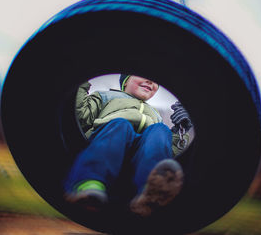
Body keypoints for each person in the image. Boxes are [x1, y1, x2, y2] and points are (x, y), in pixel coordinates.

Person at [64, 74, 193, 217]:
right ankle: (88, 183)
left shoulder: (157, 116)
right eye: (142, 75)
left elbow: (165, 151)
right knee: (120, 124)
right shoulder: (106, 96)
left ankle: (151, 191)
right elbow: (81, 116)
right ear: (125, 81)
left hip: (140, 156)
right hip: (110, 140)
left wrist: (179, 130)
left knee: (160, 130)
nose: (150, 81)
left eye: (156, 80)